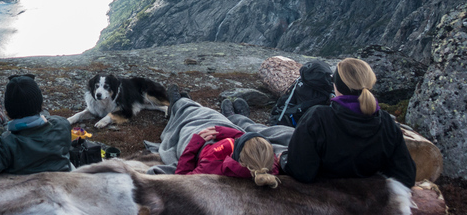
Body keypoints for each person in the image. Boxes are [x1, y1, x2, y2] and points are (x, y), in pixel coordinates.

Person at [282, 58, 416, 187]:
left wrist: (283, 158)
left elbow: (301, 172)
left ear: (336, 85)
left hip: (328, 200)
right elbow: (406, 176)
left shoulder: (318, 117)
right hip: (368, 201)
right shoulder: (386, 121)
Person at [153, 87, 290, 188]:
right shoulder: (269, 164)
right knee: (230, 124)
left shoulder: (212, 166)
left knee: (196, 117)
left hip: (201, 144)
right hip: (220, 136)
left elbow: (182, 177)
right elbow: (246, 139)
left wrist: (195, 143)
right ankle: (237, 117)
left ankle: (179, 105)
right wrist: (223, 131)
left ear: (237, 154)